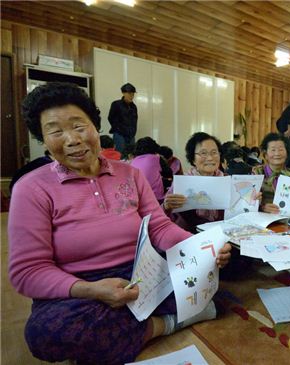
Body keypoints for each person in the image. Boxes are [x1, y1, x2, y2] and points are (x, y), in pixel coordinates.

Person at [8, 82, 232, 365]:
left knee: (213, 282)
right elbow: (28, 271)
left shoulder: (130, 174)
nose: (72, 139)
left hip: (142, 273)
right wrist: (92, 290)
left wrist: (198, 246)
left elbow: (159, 227)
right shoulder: (32, 188)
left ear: (95, 126)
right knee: (46, 334)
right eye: (55, 131)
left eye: (79, 126)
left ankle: (117, 333)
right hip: (79, 287)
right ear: (43, 139)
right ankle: (163, 325)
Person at [163, 132, 225, 233]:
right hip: (188, 235)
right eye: (203, 153)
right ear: (193, 159)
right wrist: (167, 207)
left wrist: (251, 200)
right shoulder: (182, 183)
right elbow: (160, 216)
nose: (210, 158)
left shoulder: (225, 181)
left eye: (214, 152)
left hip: (220, 234)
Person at [252, 133, 290, 214]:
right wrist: (261, 207)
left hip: (286, 221)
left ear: (287, 153)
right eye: (273, 150)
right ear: (265, 155)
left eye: (281, 149)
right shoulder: (256, 173)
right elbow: (248, 201)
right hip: (263, 220)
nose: (277, 154)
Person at [131, 137, 172, 203]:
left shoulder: (133, 161)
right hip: (155, 199)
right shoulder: (156, 158)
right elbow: (169, 173)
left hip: (136, 198)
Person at [108, 82, 138, 153]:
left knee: (131, 155)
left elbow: (135, 121)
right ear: (123, 93)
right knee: (119, 155)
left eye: (133, 94)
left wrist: (133, 132)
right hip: (120, 135)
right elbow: (110, 118)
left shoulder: (134, 107)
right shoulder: (116, 104)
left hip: (131, 136)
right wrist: (118, 129)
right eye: (129, 94)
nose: (132, 96)